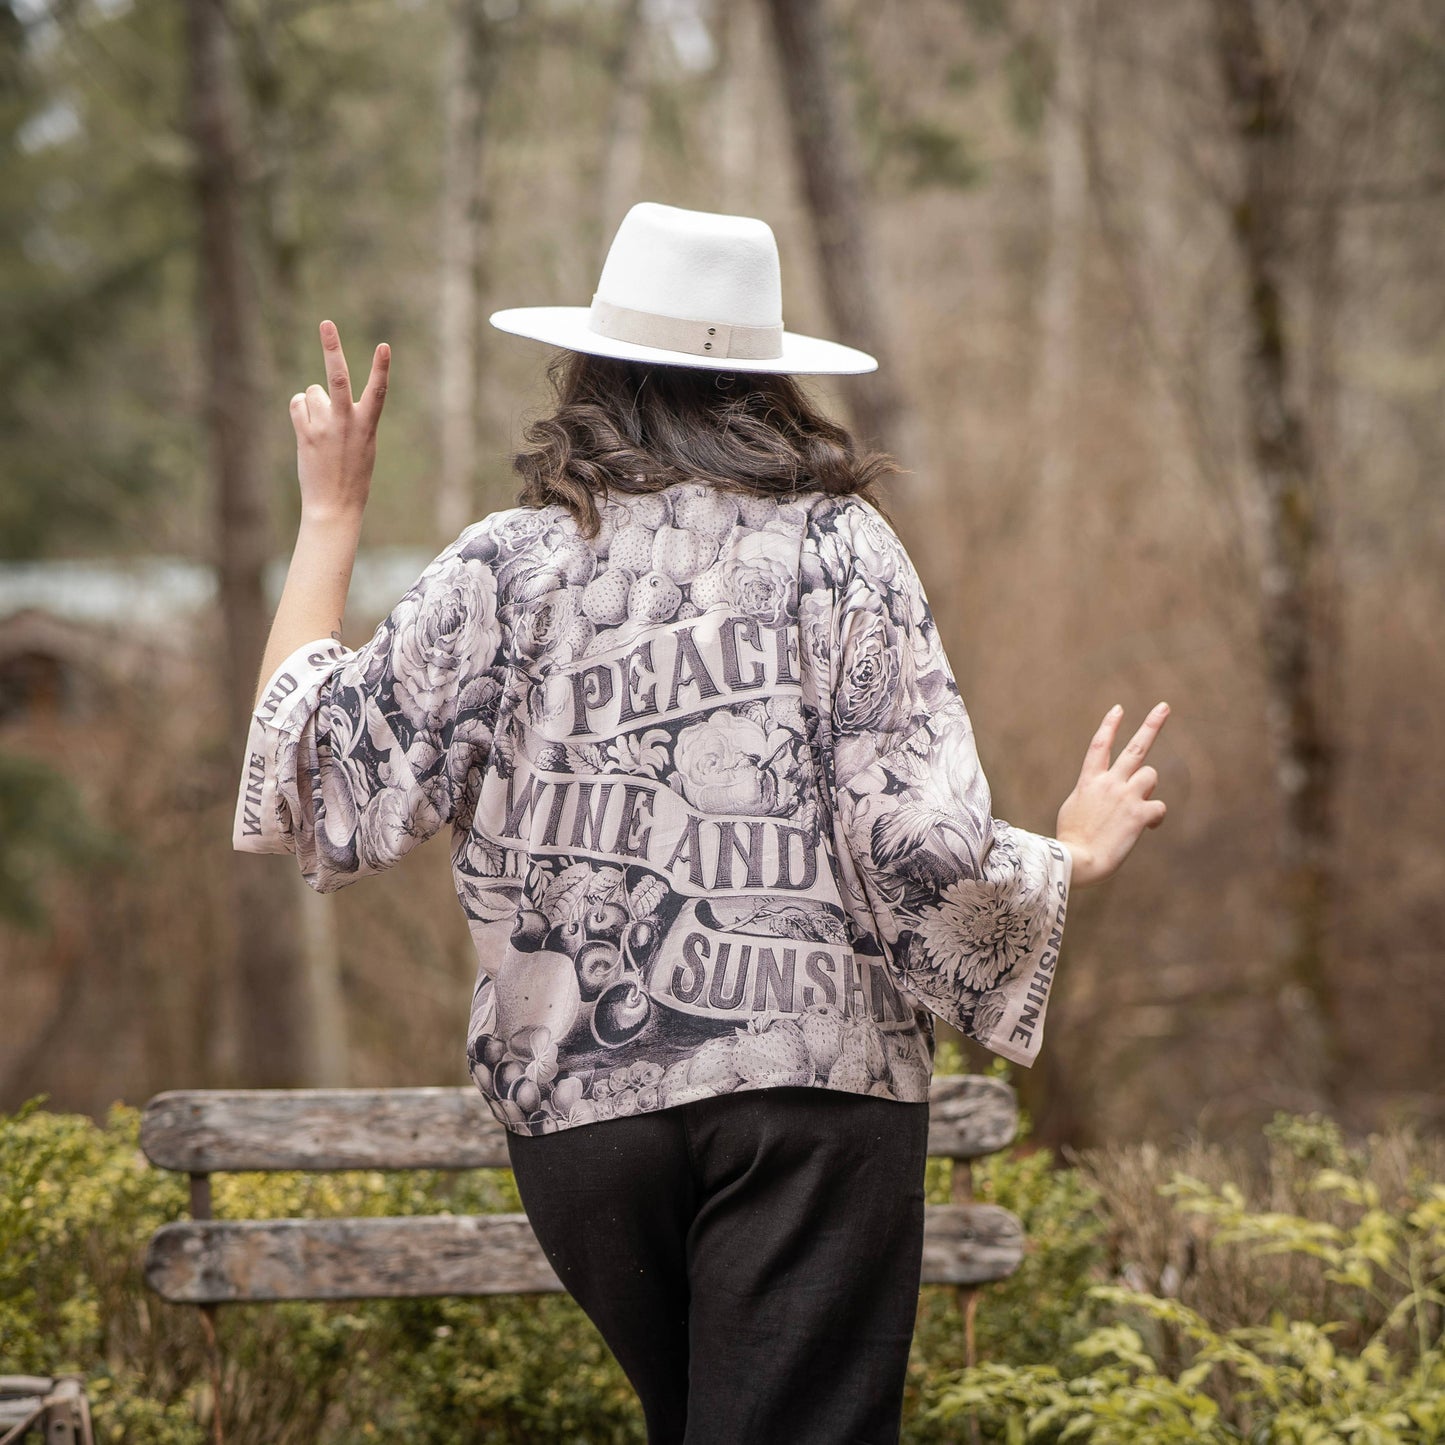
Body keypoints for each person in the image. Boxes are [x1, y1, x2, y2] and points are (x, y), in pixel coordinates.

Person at [234, 201, 1170, 1445]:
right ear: (769, 383)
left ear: (594, 372)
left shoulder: (504, 566)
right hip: (816, 1099)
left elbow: (311, 777)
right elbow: (914, 845)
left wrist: (331, 517)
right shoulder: (842, 550)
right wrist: (1065, 853)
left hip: (582, 1116)